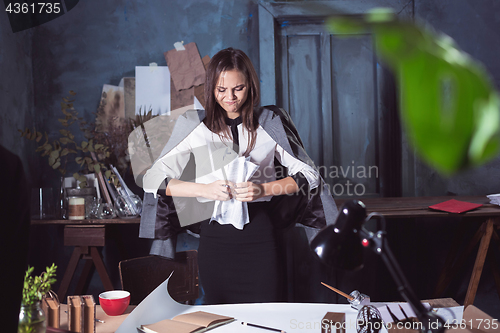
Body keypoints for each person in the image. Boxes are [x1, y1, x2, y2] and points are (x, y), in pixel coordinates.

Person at [139, 47, 338, 304]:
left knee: (266, 318)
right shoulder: (194, 126)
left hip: (261, 237)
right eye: (221, 90)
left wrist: (264, 190)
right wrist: (204, 190)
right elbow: (152, 178)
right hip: (215, 239)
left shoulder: (269, 122)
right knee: (219, 319)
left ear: (251, 86)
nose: (230, 97)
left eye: (238, 88)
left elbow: (310, 175)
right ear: (211, 88)